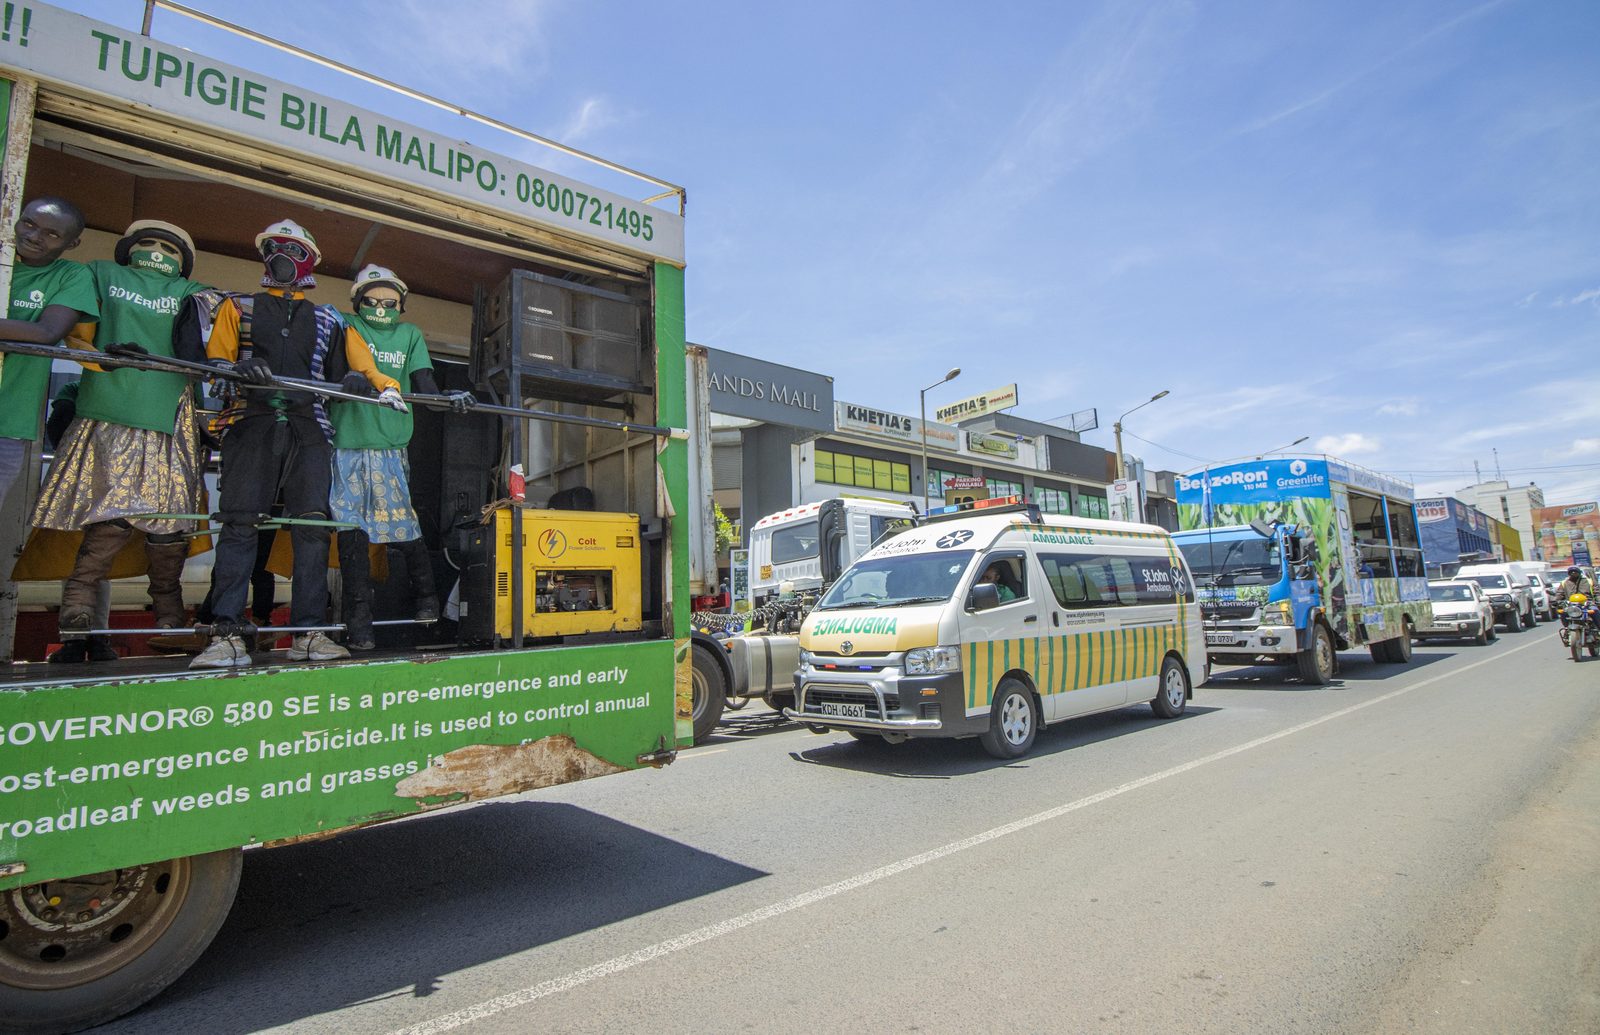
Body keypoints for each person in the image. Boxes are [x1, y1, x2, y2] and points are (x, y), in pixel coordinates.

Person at [192, 219, 401, 669]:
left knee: (311, 529)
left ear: (311, 259)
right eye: (274, 247)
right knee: (240, 524)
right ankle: (226, 633)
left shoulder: (328, 317)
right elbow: (216, 361)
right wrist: (235, 371)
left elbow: (363, 367)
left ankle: (308, 633)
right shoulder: (237, 305)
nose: (282, 255)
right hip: (251, 423)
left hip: (311, 431)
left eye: (293, 248)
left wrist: (375, 384)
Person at [31, 220, 208, 656]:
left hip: (170, 416)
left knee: (171, 522)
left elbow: (206, 350)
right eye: (146, 242)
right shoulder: (97, 273)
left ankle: (168, 619)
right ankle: (77, 612)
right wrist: (100, 360)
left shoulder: (195, 292)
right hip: (110, 411)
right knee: (108, 516)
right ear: (126, 247)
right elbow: (76, 336)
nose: (156, 251)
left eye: (168, 246)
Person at [332, 264, 472, 650]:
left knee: (403, 522)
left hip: (392, 443)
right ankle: (358, 624)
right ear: (358, 302)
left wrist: (449, 399)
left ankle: (426, 596)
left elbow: (425, 383)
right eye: (373, 300)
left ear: (402, 305)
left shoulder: (409, 335)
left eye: (390, 302)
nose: (381, 307)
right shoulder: (342, 324)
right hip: (346, 443)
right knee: (352, 534)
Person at [0, 197, 100, 662]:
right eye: (29, 224)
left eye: (51, 233)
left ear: (72, 243)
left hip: (8, 424)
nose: (34, 236)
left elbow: (46, 333)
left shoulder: (70, 276)